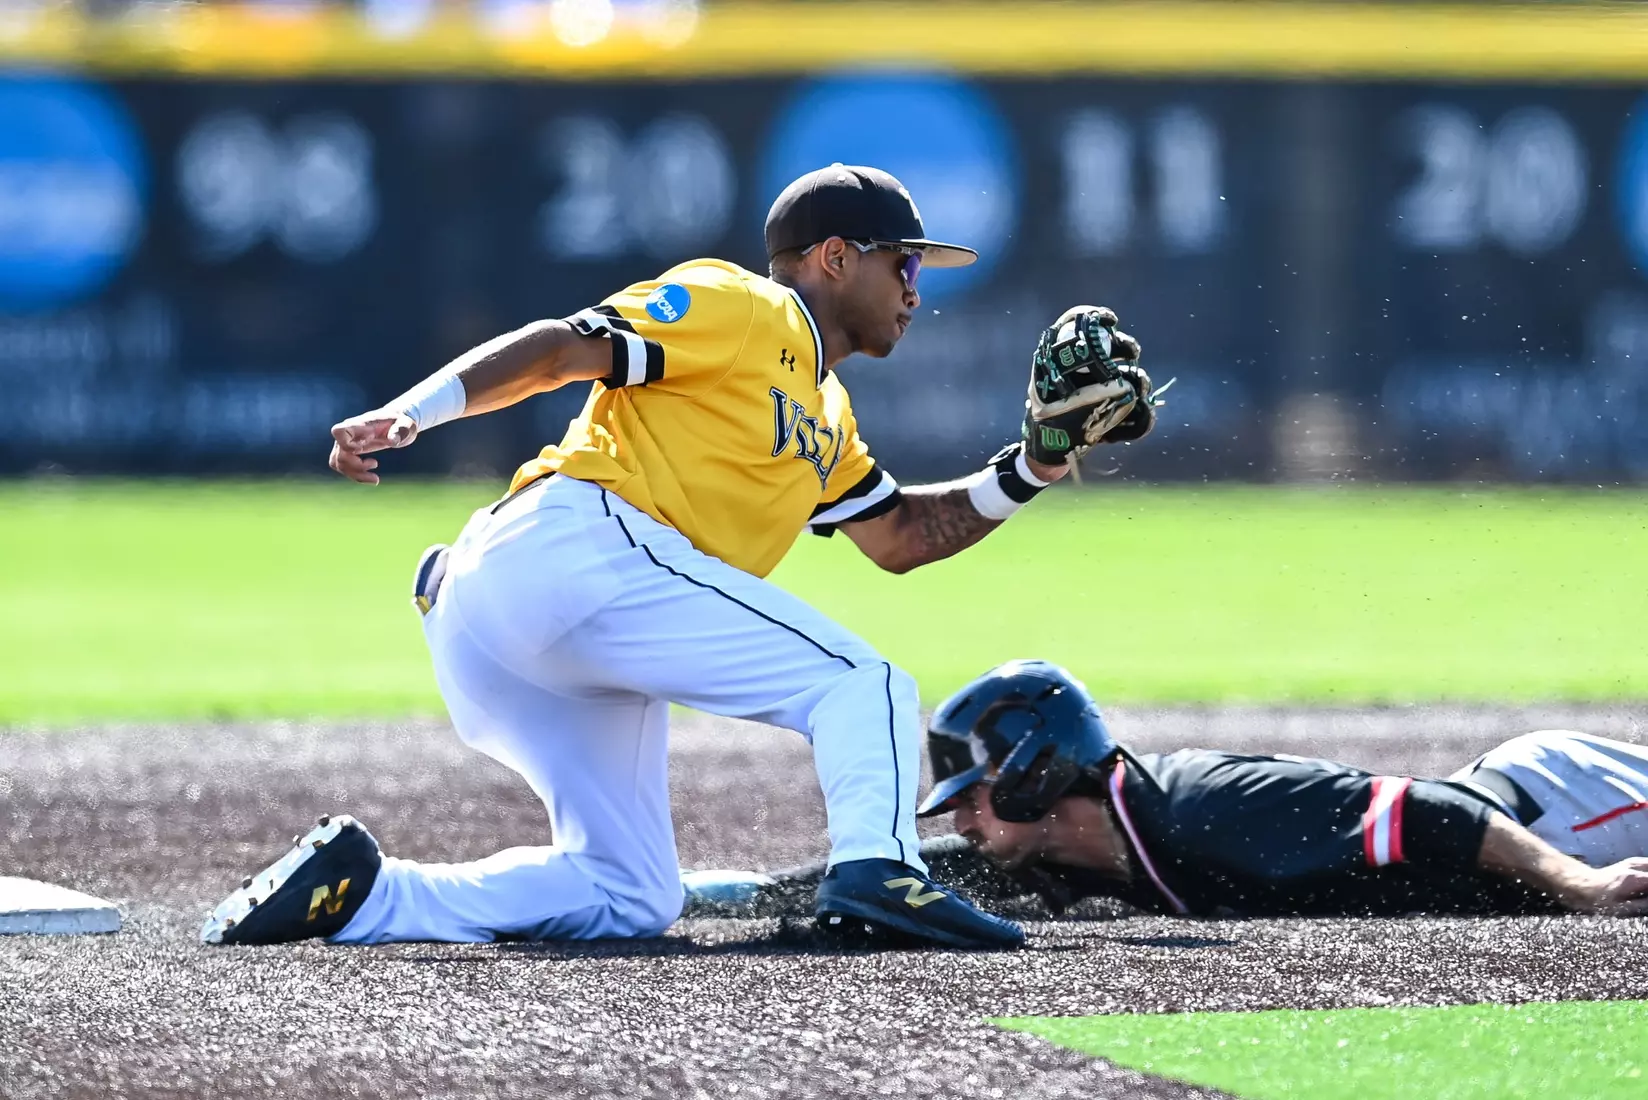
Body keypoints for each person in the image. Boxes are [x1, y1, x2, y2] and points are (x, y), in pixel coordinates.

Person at [200, 165, 1160, 951]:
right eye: (904, 262)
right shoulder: (745, 308)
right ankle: (880, 875)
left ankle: (369, 896)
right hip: (569, 548)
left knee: (628, 894)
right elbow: (564, 349)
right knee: (865, 685)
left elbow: (901, 537)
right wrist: (418, 409)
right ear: (832, 257)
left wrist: (1033, 464)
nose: (917, 287)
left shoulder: (829, 416)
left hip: (526, 639)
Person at [682, 661, 1648, 924]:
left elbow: (1432, 816)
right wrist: (747, 893)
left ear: (1036, 777)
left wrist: (1579, 884)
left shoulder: (1206, 805)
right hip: (1523, 815)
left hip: (1551, 804)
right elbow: (925, 877)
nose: (965, 819)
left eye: (977, 795)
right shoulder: (1072, 851)